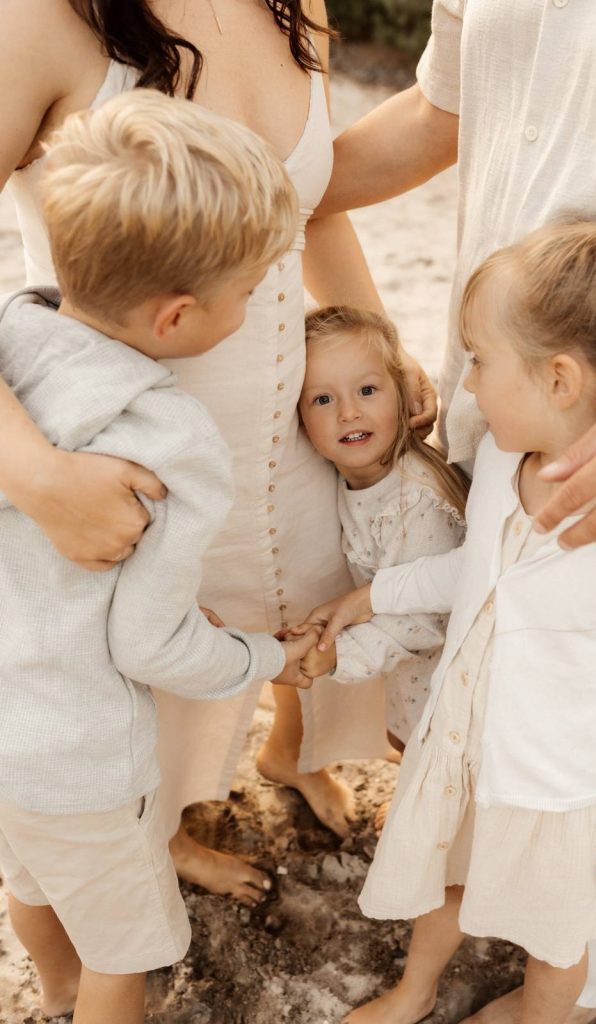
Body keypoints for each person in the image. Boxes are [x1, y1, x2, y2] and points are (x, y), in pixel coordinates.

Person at [0, 0, 436, 901]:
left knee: (312, 589)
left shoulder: (291, 3)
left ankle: (290, 753)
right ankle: (154, 836)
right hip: (132, 458)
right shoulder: (36, 18)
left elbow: (305, 205)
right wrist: (38, 476)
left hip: (296, 420)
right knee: (149, 651)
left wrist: (381, 347)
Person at [317, 3, 596, 1017]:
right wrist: (277, 189)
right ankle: (420, 985)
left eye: (470, 368)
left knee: (569, 927)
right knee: (452, 869)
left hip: (578, 776)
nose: (456, 383)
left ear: (557, 377)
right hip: (482, 738)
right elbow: (447, 107)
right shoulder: (502, 476)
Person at [0, 90, 324, 1024]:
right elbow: (150, 645)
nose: (259, 304)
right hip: (80, 759)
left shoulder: (13, 333)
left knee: (33, 883)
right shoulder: (172, 440)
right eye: (251, 291)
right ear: (179, 318)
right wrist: (264, 659)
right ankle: (85, 1000)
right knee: (130, 953)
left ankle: (54, 998)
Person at [297, 306, 466, 764]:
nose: (349, 413)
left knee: (432, 754)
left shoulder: (414, 503)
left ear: (403, 396)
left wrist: (338, 657)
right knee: (405, 741)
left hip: (448, 681)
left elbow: (429, 619)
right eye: (323, 400)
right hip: (410, 674)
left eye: (368, 390)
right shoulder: (348, 479)